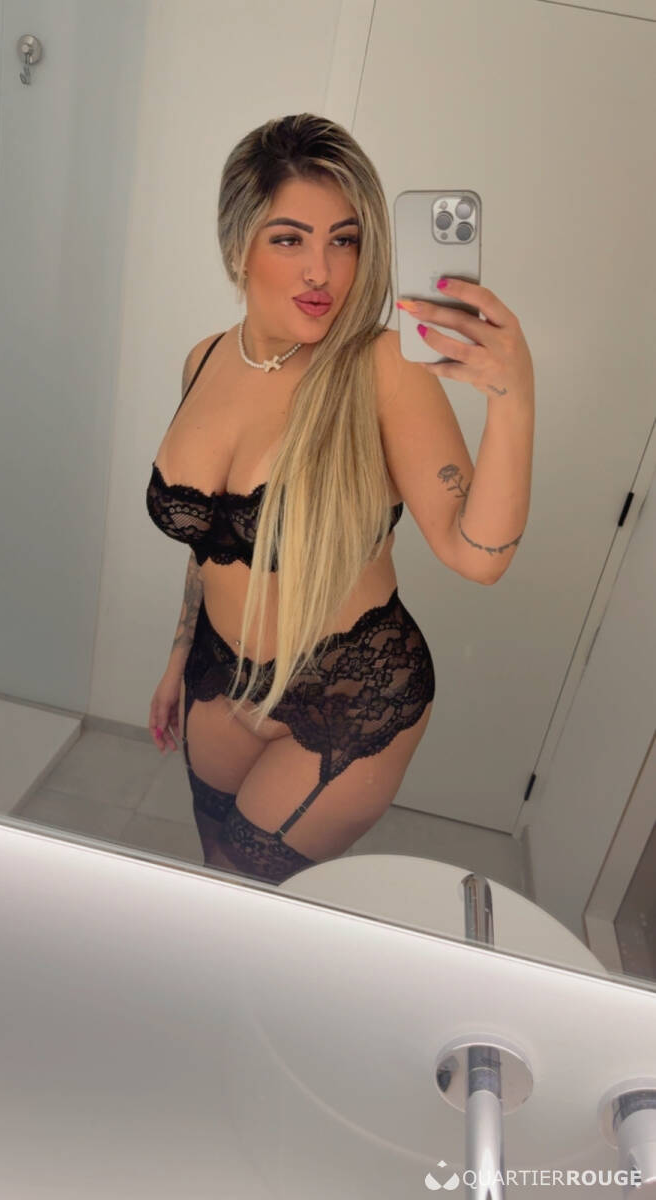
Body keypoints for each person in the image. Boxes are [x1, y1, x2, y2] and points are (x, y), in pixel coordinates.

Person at [146, 113, 531, 887]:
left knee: (251, 890)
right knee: (210, 872)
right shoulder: (203, 359)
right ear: (238, 244)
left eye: (344, 240)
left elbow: (477, 555)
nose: (321, 271)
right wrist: (179, 656)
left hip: (349, 694)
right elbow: (211, 540)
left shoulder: (380, 368)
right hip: (221, 676)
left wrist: (511, 397)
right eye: (289, 239)